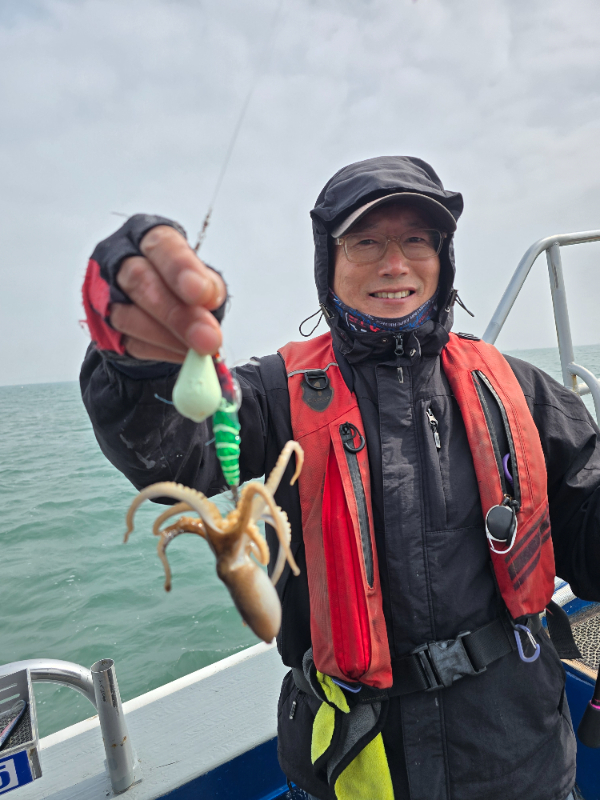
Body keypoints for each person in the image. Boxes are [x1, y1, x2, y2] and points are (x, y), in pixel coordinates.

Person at [80, 156, 599, 800]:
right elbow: (166, 454)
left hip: (521, 756)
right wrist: (135, 360)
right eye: (365, 242)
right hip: (348, 761)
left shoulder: (521, 390)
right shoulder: (273, 395)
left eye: (417, 240)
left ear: (443, 258)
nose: (395, 264)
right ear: (328, 262)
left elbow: (587, 531)